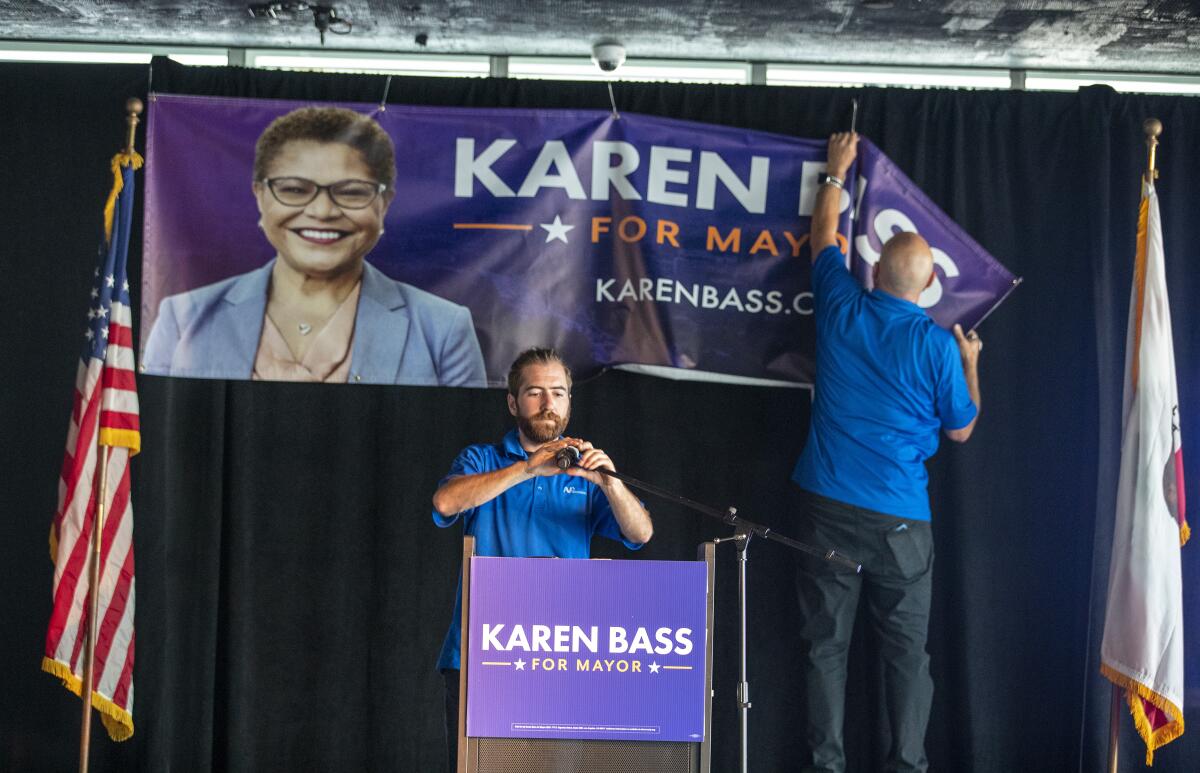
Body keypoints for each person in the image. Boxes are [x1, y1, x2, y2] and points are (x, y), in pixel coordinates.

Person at [792, 132, 982, 773]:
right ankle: (906, 765)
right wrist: (970, 363)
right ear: (929, 287)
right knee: (906, 656)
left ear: (873, 272)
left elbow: (824, 239)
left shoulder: (842, 306)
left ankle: (826, 765)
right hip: (902, 521)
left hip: (826, 507)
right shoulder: (936, 347)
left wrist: (836, 173)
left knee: (826, 648)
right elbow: (961, 430)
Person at [143, 106, 486, 386]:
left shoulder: (443, 330)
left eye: (351, 191)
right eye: (294, 189)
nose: (322, 211)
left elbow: (460, 462)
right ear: (260, 196)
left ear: (385, 204)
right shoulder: (184, 320)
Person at [430, 347, 653, 773]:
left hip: (559, 655)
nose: (548, 404)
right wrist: (529, 469)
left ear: (570, 401)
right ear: (513, 402)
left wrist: (609, 483)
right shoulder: (483, 459)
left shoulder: (584, 474)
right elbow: (445, 501)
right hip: (482, 655)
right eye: (535, 392)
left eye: (558, 393)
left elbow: (640, 532)